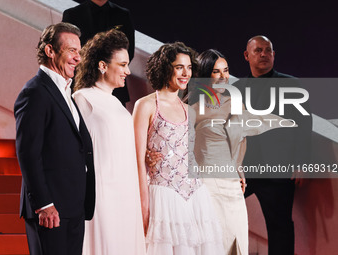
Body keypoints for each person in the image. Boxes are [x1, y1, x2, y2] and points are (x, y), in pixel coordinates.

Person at [189, 49, 295, 255]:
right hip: (206, 185)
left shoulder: (234, 102)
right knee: (213, 242)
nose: (223, 77)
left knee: (236, 241)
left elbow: (240, 140)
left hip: (233, 186)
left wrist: (239, 170)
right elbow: (186, 150)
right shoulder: (191, 108)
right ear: (204, 75)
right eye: (216, 72)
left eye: (226, 71)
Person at [133, 42, 224, 254]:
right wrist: (144, 208)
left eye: (189, 67)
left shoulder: (188, 110)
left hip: (196, 197)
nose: (186, 73)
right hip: (163, 198)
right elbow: (136, 161)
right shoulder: (146, 105)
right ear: (165, 68)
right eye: (179, 67)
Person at [14, 22, 95, 255]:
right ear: (50, 51)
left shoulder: (65, 91)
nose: (78, 58)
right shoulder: (35, 91)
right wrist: (44, 204)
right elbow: (28, 153)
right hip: (50, 211)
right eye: (72, 51)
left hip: (72, 207)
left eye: (79, 52)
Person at [235, 35, 312, 255]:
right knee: (219, 214)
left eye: (268, 50)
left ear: (274, 55)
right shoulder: (237, 88)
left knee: (280, 227)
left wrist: (302, 163)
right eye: (258, 50)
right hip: (243, 170)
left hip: (277, 171)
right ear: (246, 55)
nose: (263, 54)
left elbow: (304, 126)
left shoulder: (291, 84)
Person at [72, 29, 146, 255]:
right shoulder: (82, 98)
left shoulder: (115, 102)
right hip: (102, 196)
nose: (128, 71)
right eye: (122, 64)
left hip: (127, 192)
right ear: (103, 66)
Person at [62, 0, 135, 106]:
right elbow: (68, 51)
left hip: (114, 87)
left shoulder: (123, 14)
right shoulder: (72, 14)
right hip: (80, 83)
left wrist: (108, 72)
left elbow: (129, 52)